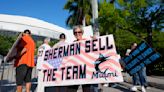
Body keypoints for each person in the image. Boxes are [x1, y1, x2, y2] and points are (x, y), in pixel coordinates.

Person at [67, 25, 94, 92]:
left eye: (79, 32)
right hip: (75, 72)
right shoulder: (72, 44)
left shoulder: (87, 41)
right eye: (75, 32)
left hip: (86, 71)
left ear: (82, 32)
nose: (77, 34)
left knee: (87, 90)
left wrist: (96, 39)